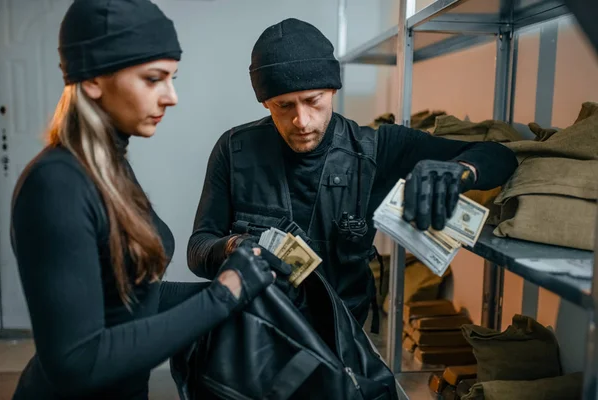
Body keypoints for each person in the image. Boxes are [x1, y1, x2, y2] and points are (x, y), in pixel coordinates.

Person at [9, 1, 276, 399]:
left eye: (172, 78)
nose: (172, 97)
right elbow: (76, 361)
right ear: (94, 80)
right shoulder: (55, 185)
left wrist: (246, 283)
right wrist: (225, 294)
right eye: (154, 79)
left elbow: (135, 301)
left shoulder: (110, 168)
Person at [187, 18, 519, 331]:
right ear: (265, 103)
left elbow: (501, 155)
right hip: (255, 332)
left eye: (312, 100)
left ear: (332, 90)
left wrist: (460, 171)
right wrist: (234, 246)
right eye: (283, 106)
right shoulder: (234, 150)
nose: (301, 120)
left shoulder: (377, 148)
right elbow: (198, 249)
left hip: (340, 335)